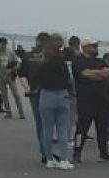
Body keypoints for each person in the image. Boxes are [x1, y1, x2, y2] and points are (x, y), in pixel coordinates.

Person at [71, 38, 109, 164]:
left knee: (102, 128)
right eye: (93, 46)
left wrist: (96, 74)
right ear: (85, 47)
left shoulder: (100, 61)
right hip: (85, 100)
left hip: (102, 100)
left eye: (96, 46)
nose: (96, 48)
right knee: (82, 129)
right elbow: (85, 74)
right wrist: (100, 74)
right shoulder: (78, 61)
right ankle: (77, 152)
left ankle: (104, 153)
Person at [35, 35, 73, 168]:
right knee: (62, 129)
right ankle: (64, 159)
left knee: (47, 129)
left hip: (46, 95)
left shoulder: (43, 65)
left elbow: (37, 79)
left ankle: (49, 158)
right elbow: (68, 79)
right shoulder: (62, 64)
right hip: (61, 94)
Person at [0, 38, 23, 119]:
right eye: (1, 44)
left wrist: (12, 69)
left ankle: (21, 112)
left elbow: (18, 63)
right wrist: (0, 59)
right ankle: (8, 112)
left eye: (4, 45)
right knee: (4, 95)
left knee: (16, 94)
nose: (3, 46)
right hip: (1, 76)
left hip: (10, 75)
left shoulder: (10, 52)